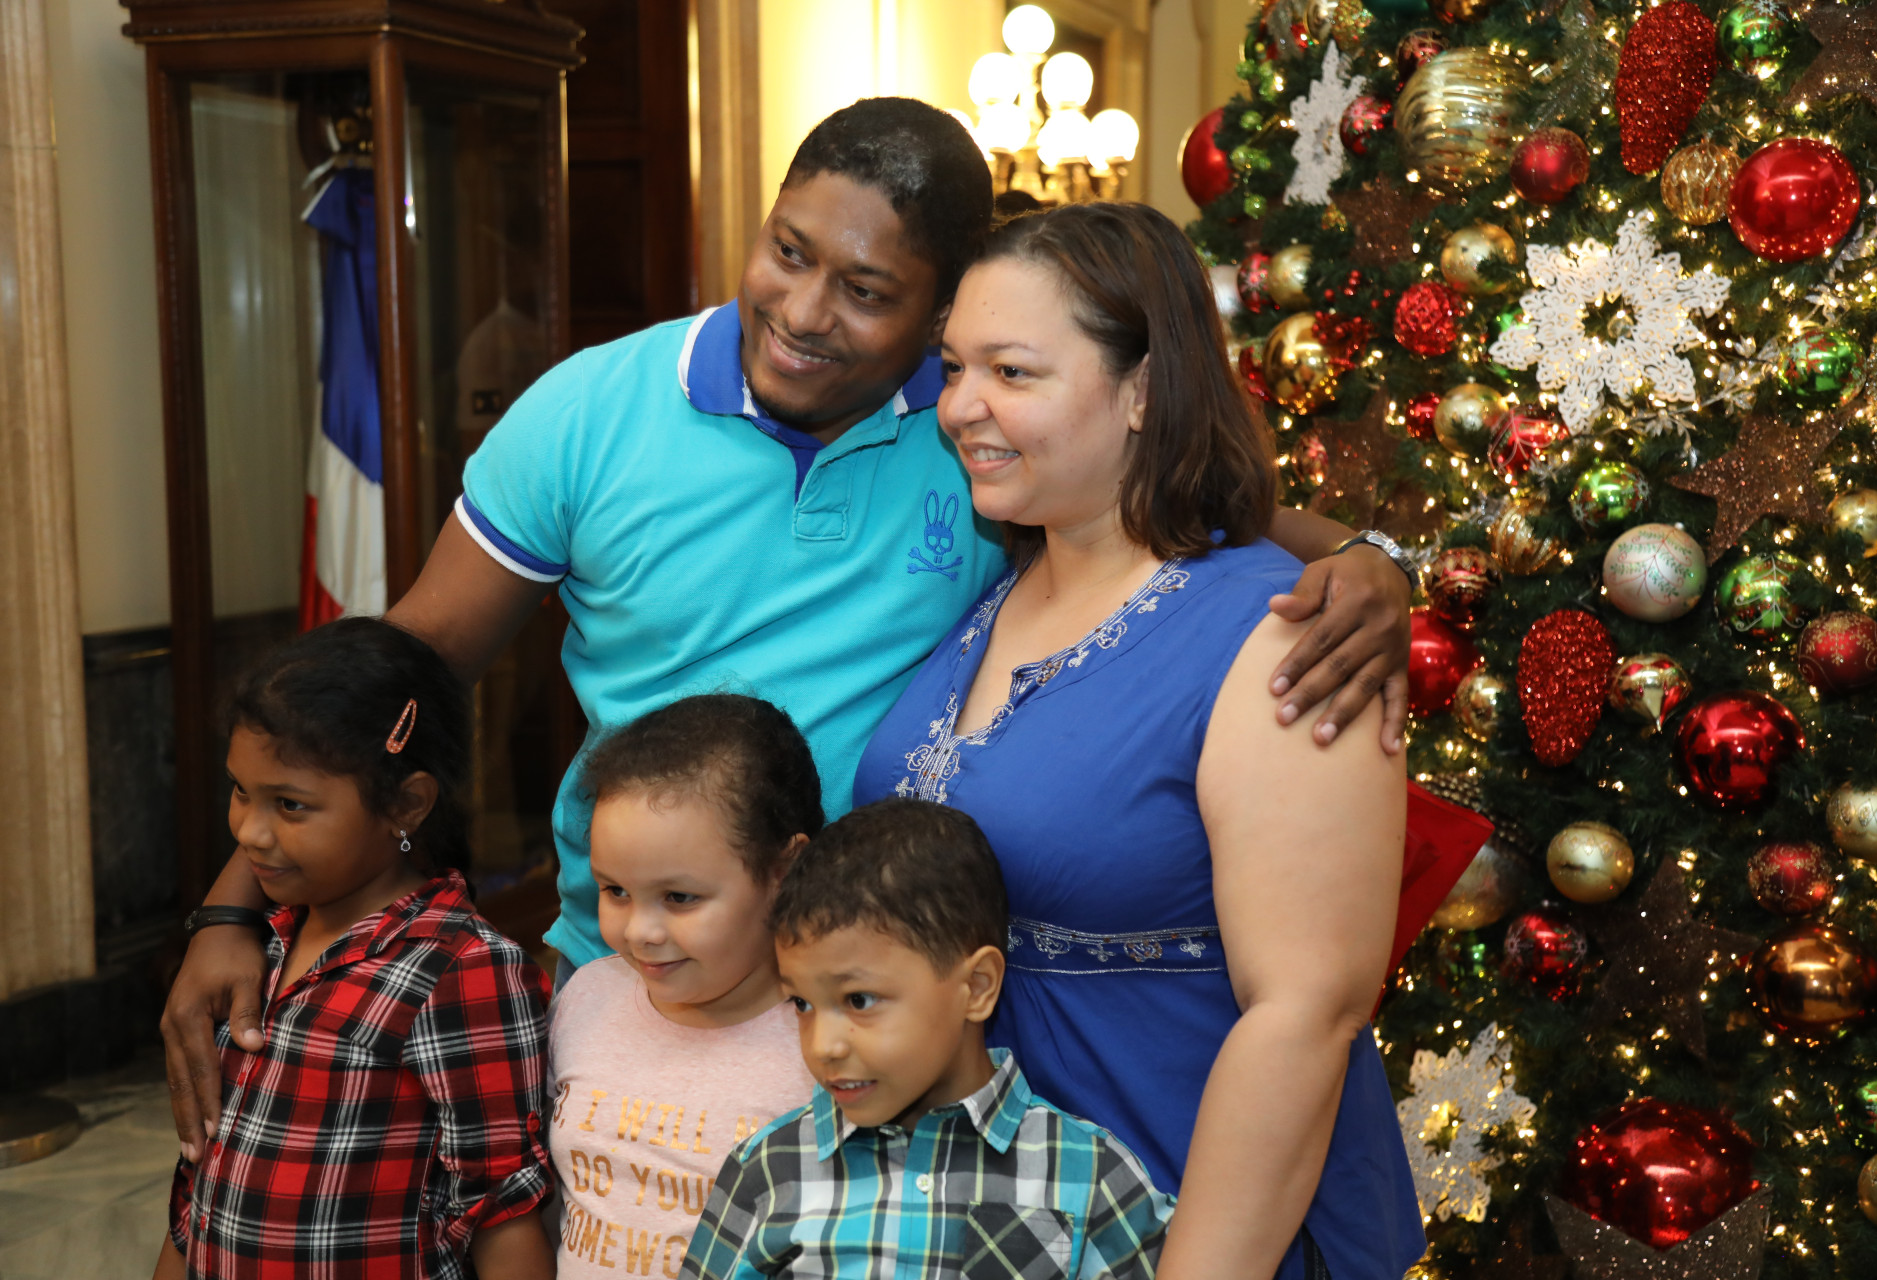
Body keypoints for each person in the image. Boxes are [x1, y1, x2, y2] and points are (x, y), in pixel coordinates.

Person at [162, 97, 1416, 1160]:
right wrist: (239, 907)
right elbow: (401, 677)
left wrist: (1369, 558)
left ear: (940, 310)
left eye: (866, 291)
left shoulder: (977, 436)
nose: (805, 311)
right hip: (635, 972)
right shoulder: (588, 413)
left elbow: (1183, 497)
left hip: (877, 1004)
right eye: (788, 251)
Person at [854, 202, 1424, 1280]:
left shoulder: (1284, 636)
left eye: (1012, 372)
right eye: (954, 367)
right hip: (973, 1219)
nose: (960, 406)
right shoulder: (1005, 580)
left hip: (1175, 1204)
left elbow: (1307, 1013)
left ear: (1144, 391)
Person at [155, 618, 552, 1280]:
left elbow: (502, 1214)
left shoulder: (460, 971)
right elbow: (198, 1186)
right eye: (241, 791)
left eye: (290, 805)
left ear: (407, 804)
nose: (250, 832)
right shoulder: (258, 946)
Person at [682, 799, 1175, 1280]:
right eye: (802, 1004)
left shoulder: (1089, 1175)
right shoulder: (769, 1169)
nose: (823, 1046)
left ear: (976, 987)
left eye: (859, 1000)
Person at [546, 695, 821, 1277]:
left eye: (679, 897)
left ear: (784, 872)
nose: (639, 932)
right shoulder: (586, 998)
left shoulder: (826, 1043)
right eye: (615, 890)